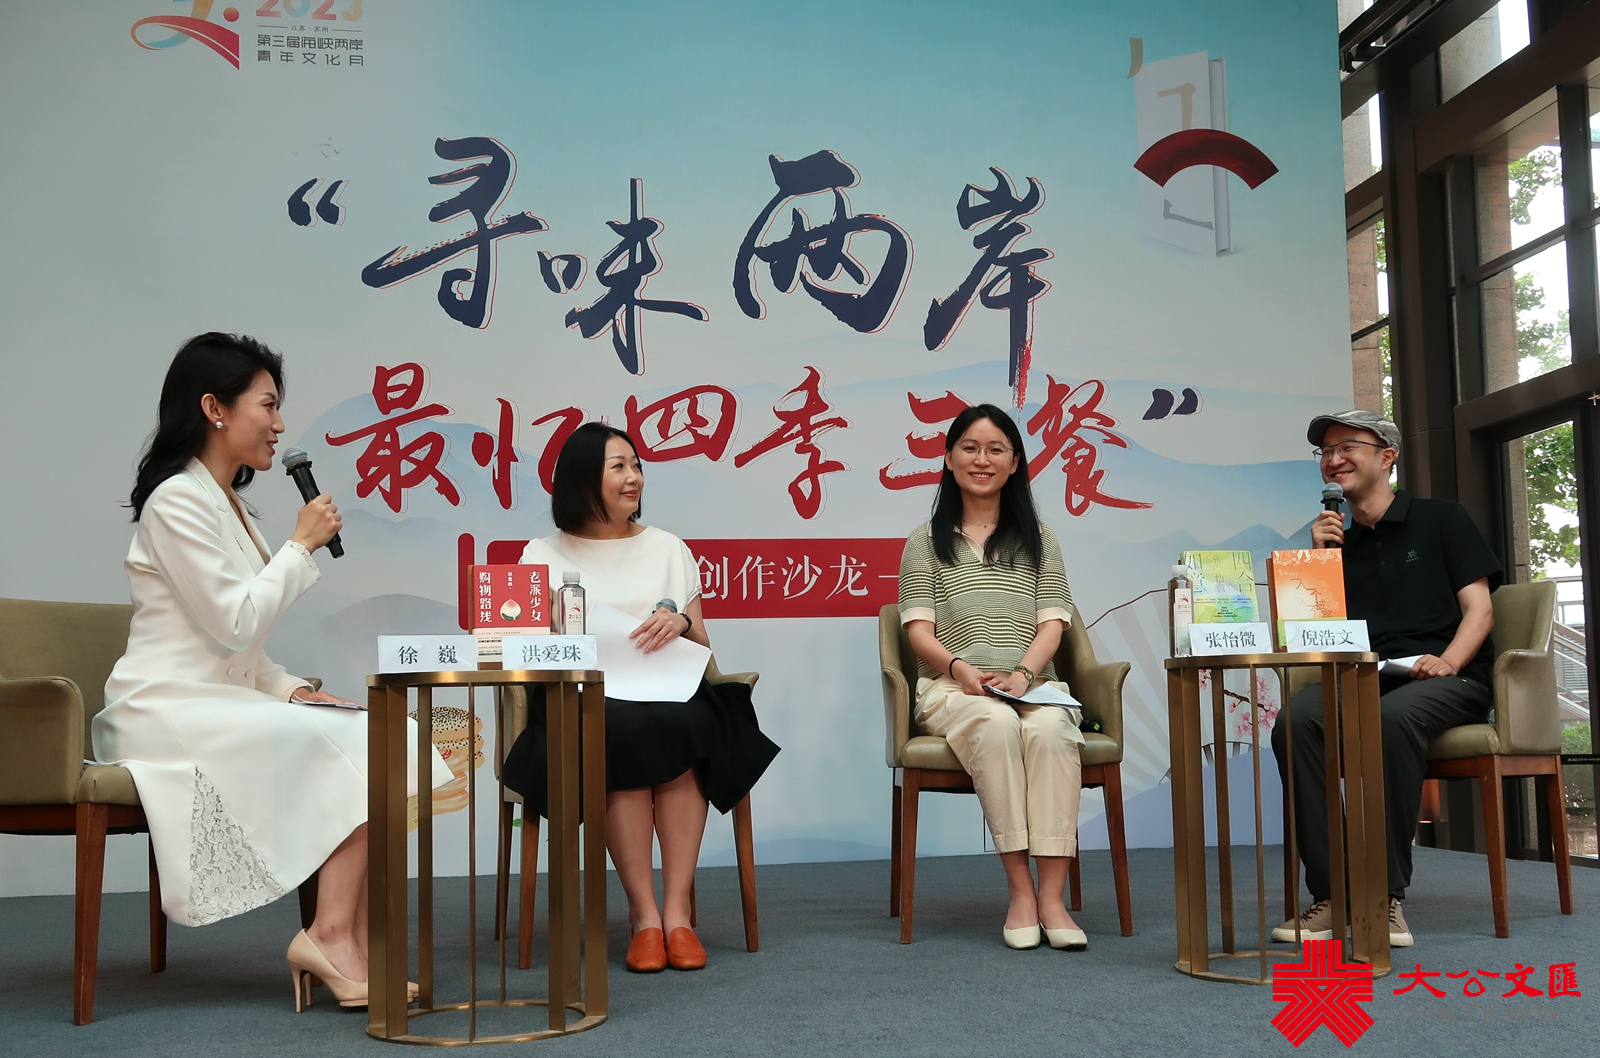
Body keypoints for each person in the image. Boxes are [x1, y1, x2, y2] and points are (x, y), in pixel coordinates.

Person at [93, 332, 450, 1011]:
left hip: (219, 701)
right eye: (267, 404)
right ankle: (331, 937)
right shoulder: (175, 501)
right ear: (214, 408)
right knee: (366, 743)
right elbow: (235, 622)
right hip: (164, 710)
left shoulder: (229, 504)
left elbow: (243, 655)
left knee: (386, 732)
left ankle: (349, 939)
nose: (280, 424)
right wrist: (300, 545)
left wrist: (295, 690)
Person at [501, 423, 780, 973]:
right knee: (618, 729)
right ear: (583, 479)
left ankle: (677, 912)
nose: (634, 478)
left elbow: (703, 644)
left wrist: (680, 622)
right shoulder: (541, 555)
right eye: (619, 467)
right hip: (585, 698)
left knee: (688, 724)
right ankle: (643, 914)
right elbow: (525, 650)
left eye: (637, 466)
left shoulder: (668, 547)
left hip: (669, 690)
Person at [1271, 410, 1502, 948]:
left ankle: (1384, 895)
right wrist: (1320, 562)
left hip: (1450, 678)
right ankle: (1333, 895)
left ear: (1387, 457)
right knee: (1295, 722)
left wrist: (1449, 660)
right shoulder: (1335, 543)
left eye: (1348, 446)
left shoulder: (1442, 519)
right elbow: (1316, 635)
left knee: (1392, 720)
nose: (1334, 459)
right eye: (1326, 451)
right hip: (1369, 675)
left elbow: (1481, 611)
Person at [897, 404, 1088, 951]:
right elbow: (918, 633)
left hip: (1032, 686)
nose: (982, 460)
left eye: (995, 449)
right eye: (970, 448)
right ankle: (1021, 892)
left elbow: (1053, 623)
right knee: (996, 723)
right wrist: (960, 670)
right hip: (951, 688)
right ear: (949, 458)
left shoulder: (1040, 538)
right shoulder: (925, 540)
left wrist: (1025, 675)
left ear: (1015, 462)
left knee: (1050, 730)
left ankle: (1054, 899)